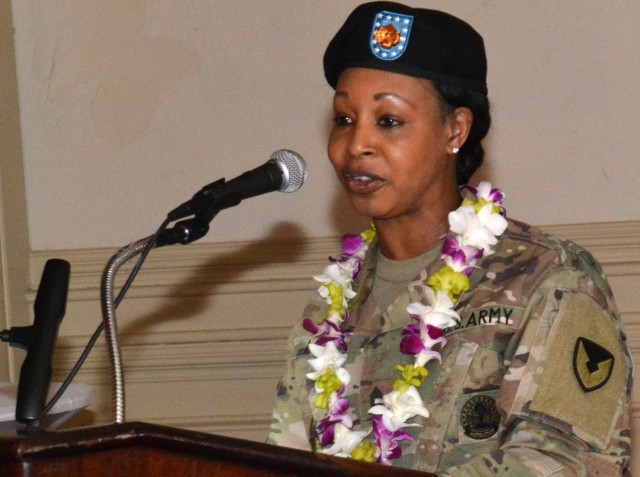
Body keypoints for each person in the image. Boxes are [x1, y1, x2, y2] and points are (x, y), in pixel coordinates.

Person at [267, 2, 633, 475]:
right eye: (343, 119)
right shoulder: (328, 317)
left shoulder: (546, 279)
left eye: (389, 121)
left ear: (455, 129)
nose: (356, 145)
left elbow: (568, 463)